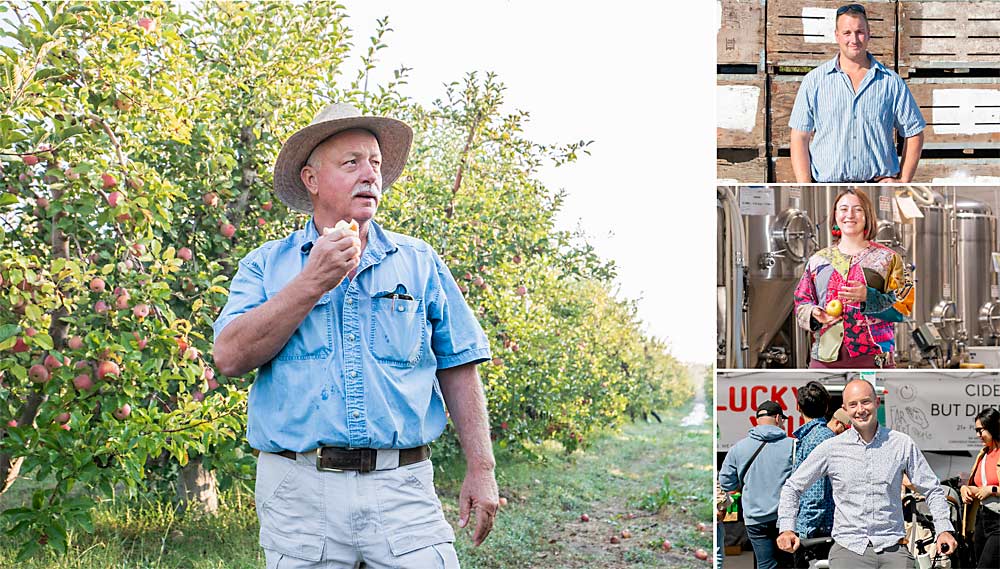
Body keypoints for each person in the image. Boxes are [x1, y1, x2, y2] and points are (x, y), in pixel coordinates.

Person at [213, 103, 498, 568]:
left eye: (376, 164)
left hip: (402, 486)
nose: (370, 175)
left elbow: (459, 364)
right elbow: (229, 356)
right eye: (352, 163)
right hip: (300, 492)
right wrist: (311, 281)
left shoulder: (419, 262)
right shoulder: (266, 265)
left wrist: (482, 469)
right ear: (311, 179)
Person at [777, 379, 958, 569]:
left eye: (865, 402)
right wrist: (787, 528)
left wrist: (944, 529)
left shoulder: (901, 444)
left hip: (893, 547)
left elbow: (932, 489)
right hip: (849, 548)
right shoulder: (831, 448)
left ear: (877, 402)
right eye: (853, 404)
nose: (860, 410)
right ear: (845, 409)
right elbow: (792, 487)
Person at [789, 3, 925, 183]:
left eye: (859, 32)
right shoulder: (814, 81)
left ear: (869, 34)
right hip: (827, 184)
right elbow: (799, 137)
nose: (854, 39)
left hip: (878, 186)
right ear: (837, 36)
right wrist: (805, 186)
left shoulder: (891, 82)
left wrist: (903, 181)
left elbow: (914, 132)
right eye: (847, 33)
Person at [793, 189, 913, 368]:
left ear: (867, 216)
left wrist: (869, 297)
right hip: (824, 360)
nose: (850, 215)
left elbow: (905, 307)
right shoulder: (818, 260)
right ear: (835, 216)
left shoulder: (889, 259)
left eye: (857, 209)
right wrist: (814, 313)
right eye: (843, 209)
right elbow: (801, 302)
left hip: (874, 360)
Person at [719, 401, 796, 569]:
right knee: (787, 564)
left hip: (754, 518)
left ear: (756, 420)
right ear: (777, 418)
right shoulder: (793, 446)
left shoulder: (738, 448)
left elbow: (725, 482)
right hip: (783, 518)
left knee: (765, 564)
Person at [791, 381, 836, 568]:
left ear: (798, 407)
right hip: (819, 528)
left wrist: (803, 530)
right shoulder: (817, 436)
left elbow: (815, 494)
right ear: (826, 407)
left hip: (817, 531)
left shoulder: (818, 439)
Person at [961, 408, 1000, 568]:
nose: (977, 435)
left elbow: (988, 488)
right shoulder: (983, 454)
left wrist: (992, 490)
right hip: (982, 518)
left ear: (993, 427)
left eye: (980, 430)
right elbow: (977, 485)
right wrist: (965, 489)